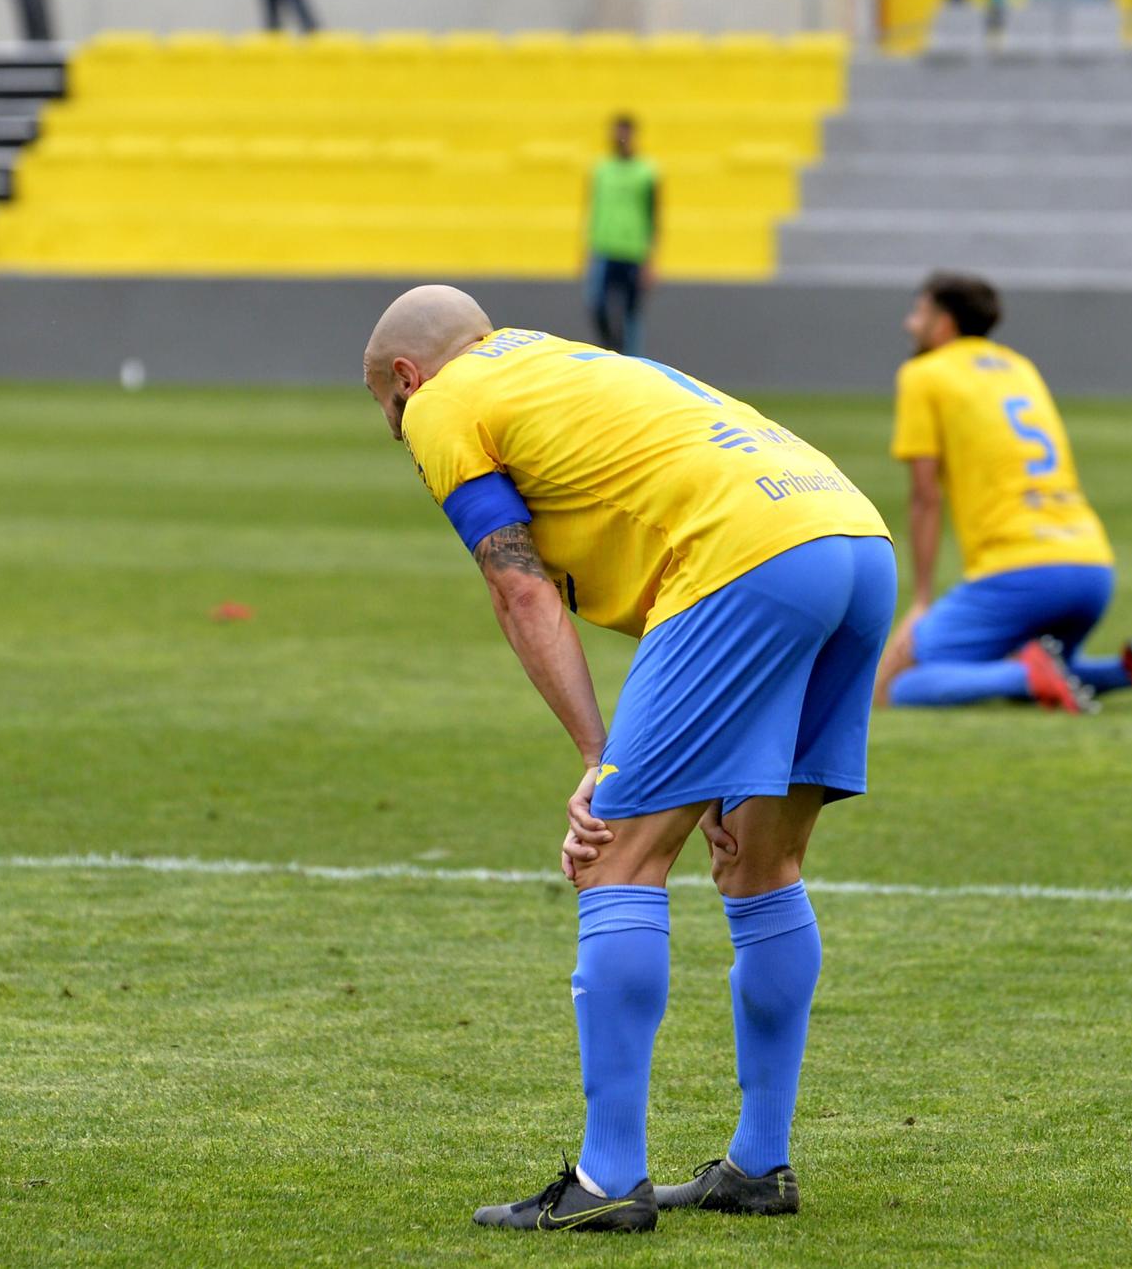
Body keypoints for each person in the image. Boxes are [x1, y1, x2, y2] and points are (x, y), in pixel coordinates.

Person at [362, 286, 895, 1232]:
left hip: (745, 554)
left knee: (614, 851)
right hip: (848, 536)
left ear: (407, 378)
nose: (405, 437)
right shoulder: (555, 359)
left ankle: (608, 1181)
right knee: (761, 861)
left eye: (391, 418)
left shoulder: (444, 401)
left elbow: (519, 587)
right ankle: (758, 1163)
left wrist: (598, 756)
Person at [874, 271, 1132, 712]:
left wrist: (920, 600)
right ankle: (1129, 671)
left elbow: (925, 496)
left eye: (918, 313)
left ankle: (1029, 674)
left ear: (944, 323)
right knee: (1049, 669)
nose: (908, 324)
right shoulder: (1019, 367)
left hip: (1019, 569)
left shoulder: (924, 374)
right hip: (1091, 567)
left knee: (907, 682)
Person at [583, 114, 658, 354]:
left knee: (631, 315)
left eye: (624, 132)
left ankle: (633, 362)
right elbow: (591, 209)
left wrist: (650, 259)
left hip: (633, 250)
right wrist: (587, 250)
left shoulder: (646, 172)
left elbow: (653, 215)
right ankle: (610, 348)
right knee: (596, 304)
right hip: (604, 248)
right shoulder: (601, 170)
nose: (619, 137)